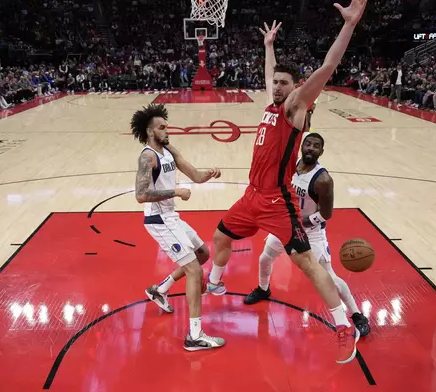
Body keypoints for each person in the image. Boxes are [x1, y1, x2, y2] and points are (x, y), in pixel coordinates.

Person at [206, 0, 367, 365]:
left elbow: (328, 67)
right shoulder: (270, 103)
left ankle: (343, 326)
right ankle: (215, 280)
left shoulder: (295, 109)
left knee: (308, 265)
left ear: (297, 90)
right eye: (275, 83)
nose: (276, 87)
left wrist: (349, 25)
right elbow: (269, 76)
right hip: (251, 197)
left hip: (279, 202)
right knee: (219, 236)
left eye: (283, 83)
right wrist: (268, 48)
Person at [243, 132, 371, 337]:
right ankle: (263, 289)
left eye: (316, 145)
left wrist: (301, 221)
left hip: (311, 234)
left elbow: (326, 214)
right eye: (308, 143)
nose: (311, 147)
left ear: (322, 151)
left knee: (329, 278)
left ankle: (356, 315)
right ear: (302, 146)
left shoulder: (323, 179)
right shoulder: (291, 166)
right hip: (285, 226)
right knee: (265, 258)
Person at [131, 103, 225, 351]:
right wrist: (176, 191)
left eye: (166, 125)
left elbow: (194, 175)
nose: (166, 130)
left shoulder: (168, 150)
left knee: (202, 254)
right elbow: (140, 195)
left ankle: (160, 290)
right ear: (151, 132)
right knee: (194, 271)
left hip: (172, 217)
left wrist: (208, 174)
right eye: (162, 127)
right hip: (158, 220)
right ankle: (195, 336)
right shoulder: (147, 156)